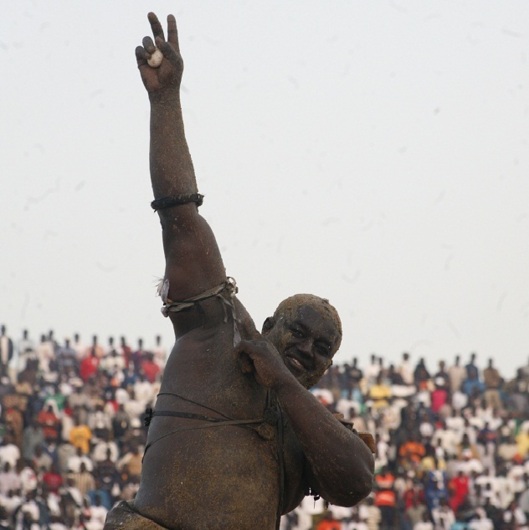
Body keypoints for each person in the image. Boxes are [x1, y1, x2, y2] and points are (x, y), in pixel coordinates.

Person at [104, 12, 374, 530]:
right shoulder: (214, 329)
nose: (308, 350)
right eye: (299, 332)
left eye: (323, 349)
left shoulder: (308, 424)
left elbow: (356, 482)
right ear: (269, 326)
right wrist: (165, 101)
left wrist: (286, 388)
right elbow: (181, 216)